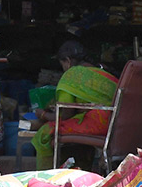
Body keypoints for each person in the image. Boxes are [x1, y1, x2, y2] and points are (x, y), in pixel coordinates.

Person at [31, 40, 118, 169]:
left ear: (68, 61)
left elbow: (66, 114)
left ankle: (45, 176)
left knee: (45, 132)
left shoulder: (72, 74)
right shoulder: (103, 72)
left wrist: (43, 114)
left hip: (96, 124)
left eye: (62, 64)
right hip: (115, 125)